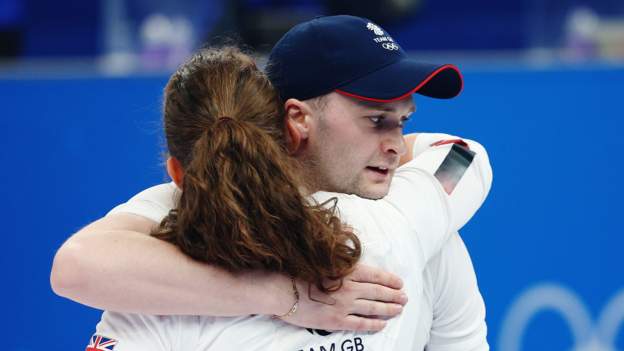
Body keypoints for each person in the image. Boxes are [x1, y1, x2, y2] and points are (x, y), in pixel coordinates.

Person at [52, 15, 492, 350]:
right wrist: (287, 295)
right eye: (376, 121)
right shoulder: (415, 220)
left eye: (402, 124)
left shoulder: (167, 244)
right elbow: (463, 157)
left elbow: (78, 266)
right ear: (297, 119)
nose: (396, 145)